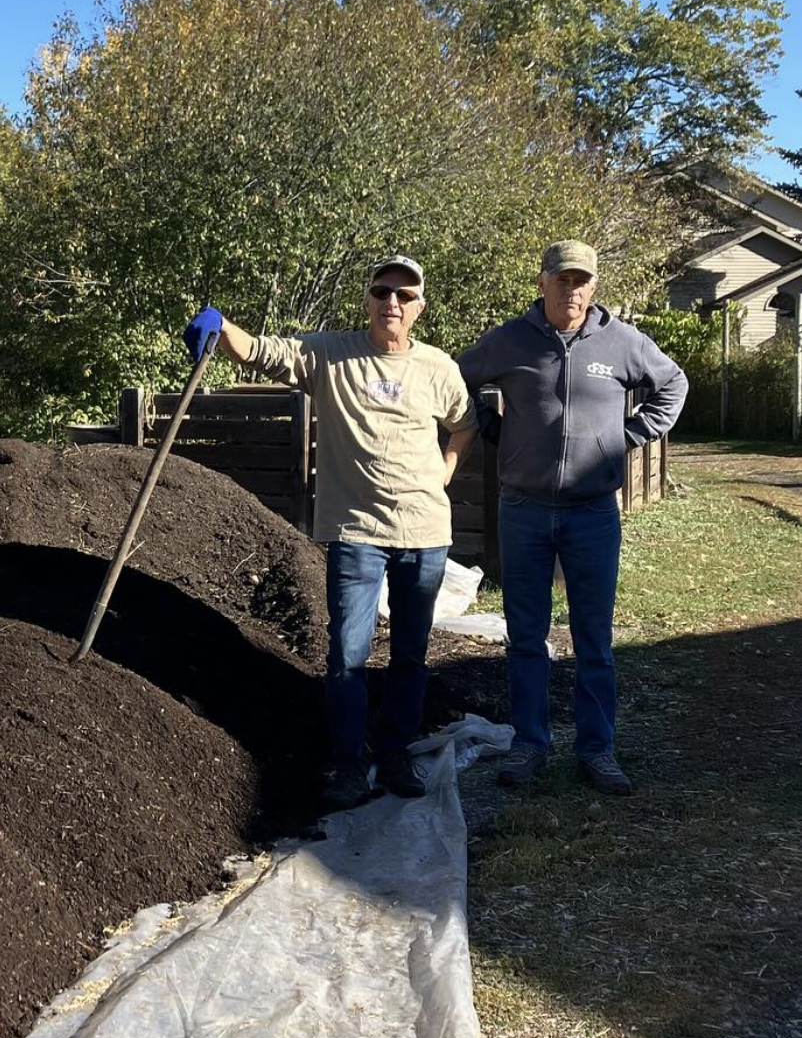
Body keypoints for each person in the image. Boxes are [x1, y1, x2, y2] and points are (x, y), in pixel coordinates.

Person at [185, 256, 477, 810]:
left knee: (411, 655)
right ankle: (349, 762)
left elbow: (465, 423)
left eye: (404, 294)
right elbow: (264, 351)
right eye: (381, 290)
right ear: (367, 299)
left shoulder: (438, 367)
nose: (392, 301)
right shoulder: (330, 354)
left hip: (424, 531)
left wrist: (446, 468)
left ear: (419, 306)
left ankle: (395, 752)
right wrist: (221, 327)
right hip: (356, 531)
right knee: (347, 654)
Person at [457, 240, 688, 794]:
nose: (572, 290)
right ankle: (529, 744)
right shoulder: (509, 340)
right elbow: (456, 380)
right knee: (526, 636)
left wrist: (626, 439)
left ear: (594, 286)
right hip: (523, 510)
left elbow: (673, 384)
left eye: (582, 280)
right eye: (562, 279)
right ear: (542, 282)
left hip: (592, 515)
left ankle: (597, 749)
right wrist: (494, 430)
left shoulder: (622, 341)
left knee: (594, 639)